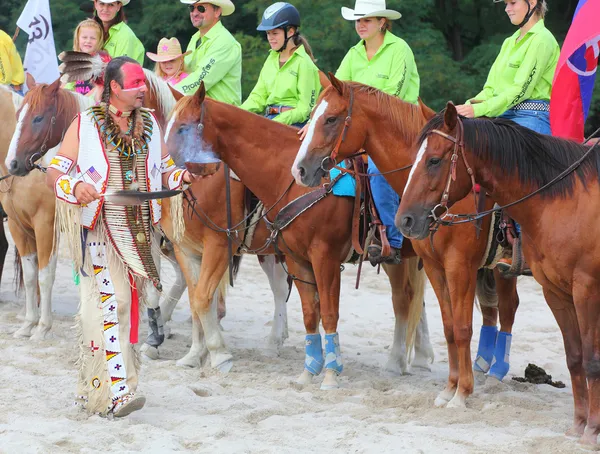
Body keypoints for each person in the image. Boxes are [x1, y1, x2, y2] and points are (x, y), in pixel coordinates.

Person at [46, 57, 201, 417]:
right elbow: (56, 171)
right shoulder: (86, 124)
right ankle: (115, 394)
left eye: (143, 83)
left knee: (128, 306)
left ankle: (102, 389)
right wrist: (76, 186)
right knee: (109, 303)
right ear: (114, 88)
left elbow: (165, 169)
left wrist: (182, 179)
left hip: (138, 233)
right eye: (135, 84)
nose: (143, 89)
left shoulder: (149, 125)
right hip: (99, 225)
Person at [455, 0, 559, 382]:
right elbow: (491, 88)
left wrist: (481, 112)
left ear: (533, 3)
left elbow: (519, 90)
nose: (506, 7)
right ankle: (481, 236)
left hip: (532, 116)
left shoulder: (543, 40)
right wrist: (468, 106)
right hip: (500, 114)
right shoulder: (509, 42)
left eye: (512, 1)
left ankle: (518, 238)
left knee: (516, 176)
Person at [334, 0, 420, 265]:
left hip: (401, 130)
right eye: (358, 20)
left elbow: (392, 99)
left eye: (367, 20)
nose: (360, 25)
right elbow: (337, 93)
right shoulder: (353, 53)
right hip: (363, 131)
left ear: (382, 22)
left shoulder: (399, 49)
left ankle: (392, 241)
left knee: (376, 170)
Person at [241, 2, 320, 127]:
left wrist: (277, 122)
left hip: (294, 124)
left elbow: (305, 108)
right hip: (269, 119)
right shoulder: (270, 59)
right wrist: (237, 112)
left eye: (275, 33)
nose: (270, 38)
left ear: (290, 32)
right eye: (268, 33)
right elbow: (258, 96)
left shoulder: (304, 63)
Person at [174, 0, 242, 104]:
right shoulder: (195, 38)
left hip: (222, 114)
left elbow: (201, 79)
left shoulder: (225, 41)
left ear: (217, 12)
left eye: (201, 8)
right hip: (199, 110)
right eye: (192, 8)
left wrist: (169, 92)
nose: (195, 13)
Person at [92, 0, 145, 64]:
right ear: (95, 4)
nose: (105, 9)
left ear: (118, 7)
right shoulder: (90, 30)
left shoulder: (126, 35)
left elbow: (122, 70)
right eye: (102, 4)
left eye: (111, 5)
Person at [64, 19, 105, 96]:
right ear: (78, 39)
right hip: (77, 103)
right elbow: (69, 87)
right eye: (84, 37)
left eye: (93, 38)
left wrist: (84, 99)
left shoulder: (102, 62)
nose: (88, 41)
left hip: (94, 104)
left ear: (99, 41)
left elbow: (100, 88)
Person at [0, 29, 25, 95]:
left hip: (9, 89)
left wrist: (3, 86)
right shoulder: (2, 34)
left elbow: (6, 74)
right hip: (13, 87)